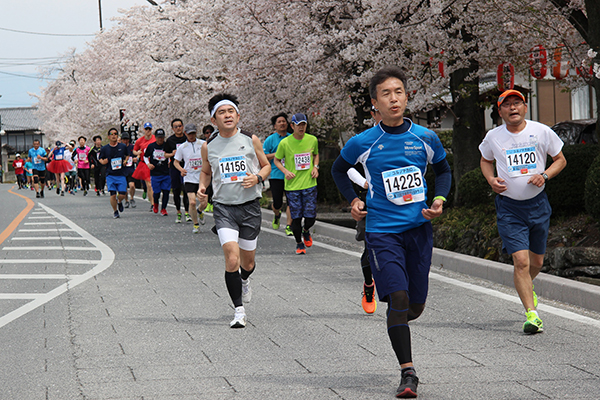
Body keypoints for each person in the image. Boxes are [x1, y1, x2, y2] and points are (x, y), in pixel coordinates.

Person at [331, 66, 452, 398]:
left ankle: (371, 278)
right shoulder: (364, 142)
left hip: (418, 230)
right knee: (397, 298)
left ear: (407, 97)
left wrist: (439, 199)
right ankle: (408, 373)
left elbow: (443, 170)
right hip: (382, 231)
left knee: (414, 308)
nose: (394, 98)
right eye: (386, 93)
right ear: (375, 103)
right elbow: (339, 169)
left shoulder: (425, 138)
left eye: (398, 91)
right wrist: (354, 201)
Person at [479, 89, 566, 334]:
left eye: (517, 103)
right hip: (509, 207)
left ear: (525, 107)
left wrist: (545, 175)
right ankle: (532, 314)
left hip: (538, 205)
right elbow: (485, 160)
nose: (513, 108)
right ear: (500, 111)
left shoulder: (541, 131)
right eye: (507, 105)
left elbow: (560, 159)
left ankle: (528, 286)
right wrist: (490, 179)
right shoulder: (493, 137)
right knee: (521, 261)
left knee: (536, 262)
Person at [197, 93, 271, 328]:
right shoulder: (209, 146)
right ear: (213, 120)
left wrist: (257, 177)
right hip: (223, 208)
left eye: (231, 111)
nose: (227, 115)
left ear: (238, 116)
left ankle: (245, 279)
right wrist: (202, 187)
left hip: (249, 207)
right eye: (222, 112)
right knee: (232, 258)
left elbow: (266, 165)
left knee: (247, 263)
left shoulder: (251, 139)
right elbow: (206, 172)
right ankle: (239, 311)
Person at [273, 113, 319, 254]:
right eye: (298, 125)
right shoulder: (285, 143)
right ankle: (299, 243)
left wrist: (315, 167)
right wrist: (285, 171)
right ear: (292, 126)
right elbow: (276, 160)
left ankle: (306, 230)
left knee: (311, 217)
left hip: (310, 184)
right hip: (293, 186)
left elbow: (316, 154)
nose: (301, 127)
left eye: (304, 124)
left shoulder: (312, 140)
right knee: (296, 218)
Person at [263, 113, 293, 235]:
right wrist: (278, 154)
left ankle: (289, 226)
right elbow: (264, 157)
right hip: (276, 174)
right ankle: (277, 214)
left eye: (284, 121)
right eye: (279, 122)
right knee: (277, 202)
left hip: (291, 174)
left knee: (291, 201)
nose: (282, 123)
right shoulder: (270, 140)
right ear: (275, 126)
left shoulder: (292, 138)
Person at [174, 123, 206, 233]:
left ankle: (200, 210)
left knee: (204, 202)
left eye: (193, 133)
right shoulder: (182, 147)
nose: (191, 136)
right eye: (189, 134)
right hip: (189, 177)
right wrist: (181, 169)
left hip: (202, 177)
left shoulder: (203, 144)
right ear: (185, 134)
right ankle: (196, 224)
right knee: (192, 202)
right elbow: (176, 162)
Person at [98, 128, 129, 218]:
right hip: (110, 174)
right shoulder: (105, 148)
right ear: (108, 137)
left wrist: (125, 161)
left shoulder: (122, 146)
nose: (114, 135)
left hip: (121, 174)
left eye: (115, 134)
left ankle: (119, 202)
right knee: (113, 194)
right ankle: (115, 211)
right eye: (112, 134)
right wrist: (103, 162)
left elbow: (127, 155)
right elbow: (100, 158)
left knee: (122, 193)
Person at [165, 118, 191, 223]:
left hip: (186, 167)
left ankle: (187, 212)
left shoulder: (187, 138)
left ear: (183, 127)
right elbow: (165, 154)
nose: (178, 128)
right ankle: (178, 211)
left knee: (186, 190)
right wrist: (172, 153)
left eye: (180, 126)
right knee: (176, 190)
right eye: (176, 127)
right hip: (174, 168)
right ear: (172, 129)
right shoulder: (170, 140)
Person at [145, 128, 171, 216]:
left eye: (162, 137)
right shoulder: (151, 146)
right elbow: (145, 156)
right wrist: (148, 164)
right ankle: (155, 204)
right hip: (155, 173)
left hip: (166, 172)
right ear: (155, 137)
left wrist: (170, 161)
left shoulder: (167, 145)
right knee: (156, 192)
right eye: (159, 137)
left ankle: (164, 208)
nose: (160, 139)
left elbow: (171, 154)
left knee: (166, 191)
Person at [132, 122, 156, 212]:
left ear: (152, 130)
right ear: (144, 130)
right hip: (145, 164)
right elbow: (134, 150)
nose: (148, 131)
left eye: (149, 129)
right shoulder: (140, 141)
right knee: (149, 184)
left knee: (154, 184)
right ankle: (153, 204)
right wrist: (137, 153)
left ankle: (154, 200)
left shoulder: (155, 139)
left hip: (155, 163)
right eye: (146, 129)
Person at [120, 132, 137, 208]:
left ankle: (132, 198)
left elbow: (137, 154)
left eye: (126, 139)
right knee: (124, 187)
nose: (125, 141)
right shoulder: (119, 147)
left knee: (132, 185)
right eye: (124, 139)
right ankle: (126, 200)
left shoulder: (132, 147)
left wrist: (136, 158)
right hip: (122, 170)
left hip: (131, 169)